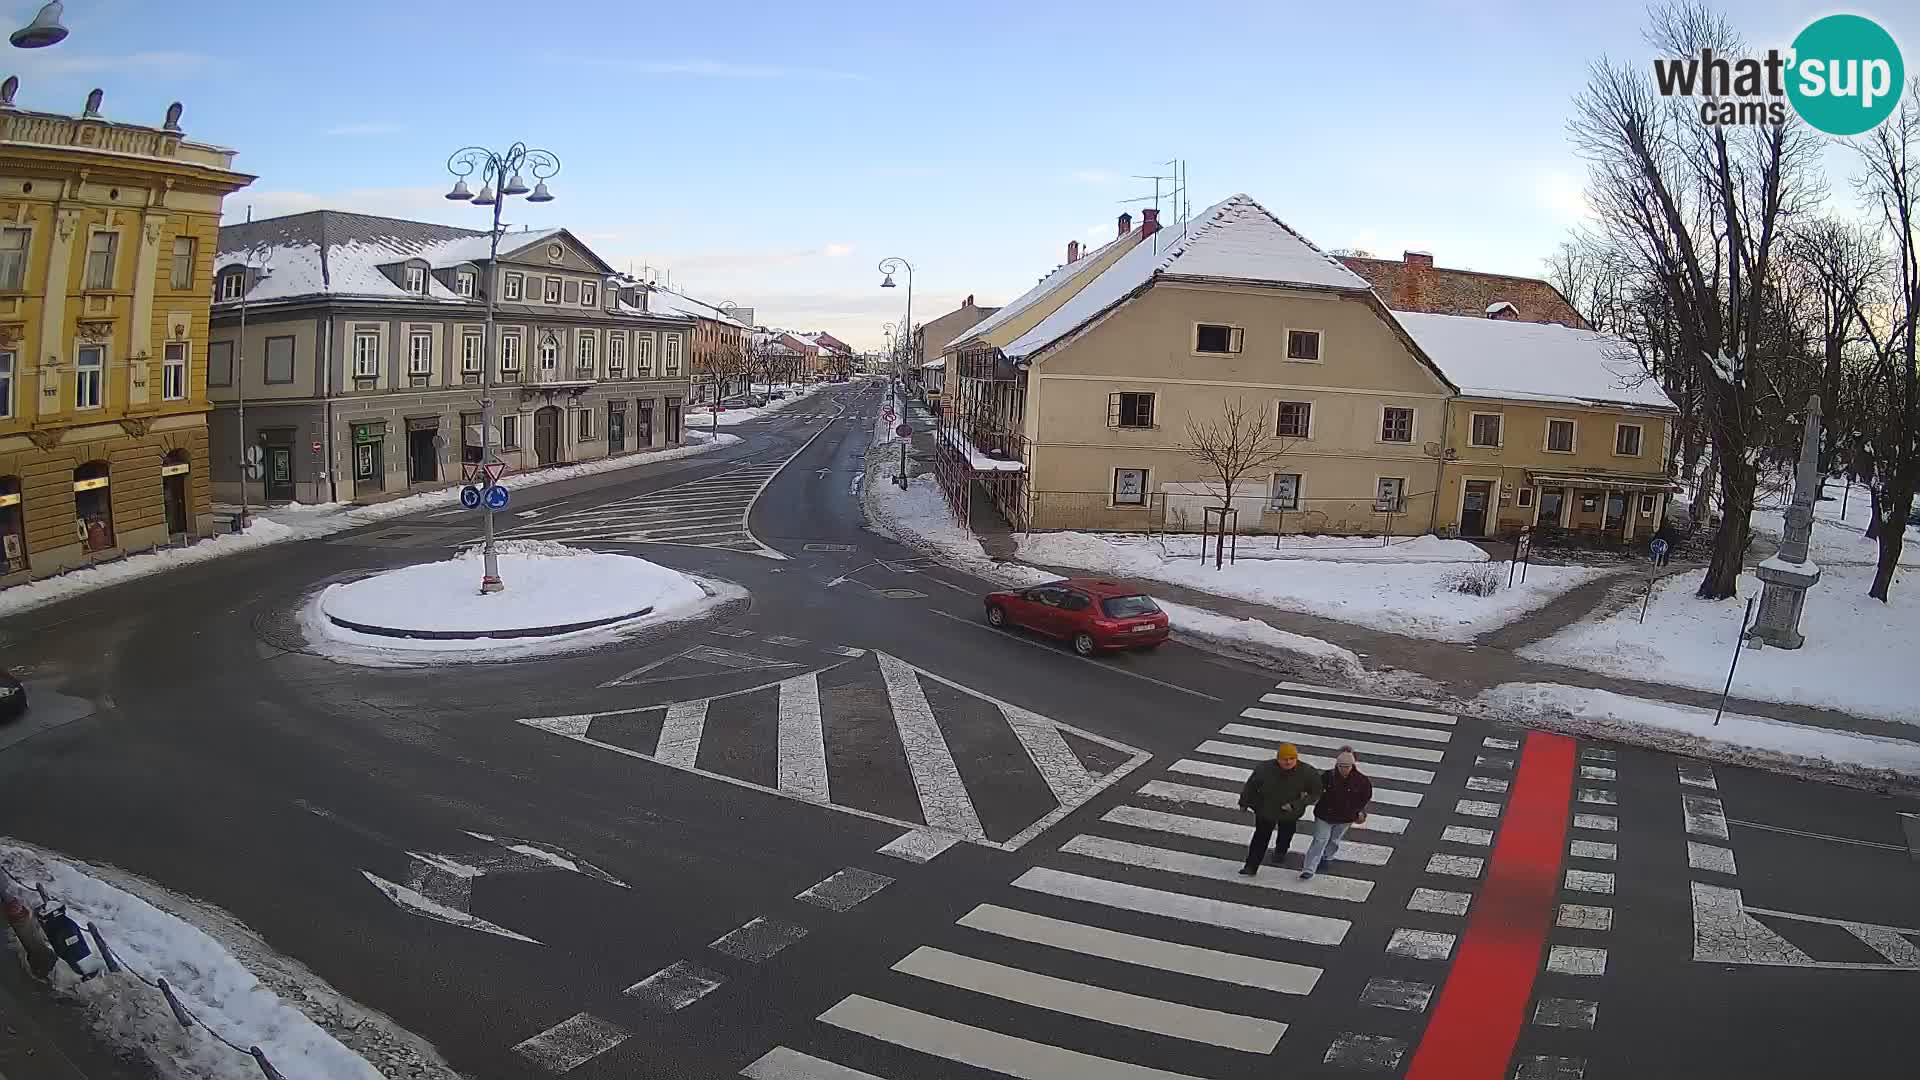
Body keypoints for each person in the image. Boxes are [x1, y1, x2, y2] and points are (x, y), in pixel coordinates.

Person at [1237, 743, 1323, 875]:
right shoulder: (1264, 769)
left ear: (1296, 758)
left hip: (1290, 812)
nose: (1288, 762)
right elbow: (1251, 786)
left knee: (1286, 834)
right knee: (1260, 838)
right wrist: (1244, 802)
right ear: (1278, 758)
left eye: (1291, 759)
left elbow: (1316, 792)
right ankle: (1251, 866)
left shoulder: (1307, 772)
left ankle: (1280, 852)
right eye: (1284, 759)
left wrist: (1297, 804)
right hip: (1266, 810)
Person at [1301, 748, 1372, 880]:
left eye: (1347, 766)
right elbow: (1316, 790)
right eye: (1341, 766)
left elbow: (1365, 798)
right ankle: (1309, 868)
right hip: (1324, 815)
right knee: (1319, 840)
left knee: (1334, 840)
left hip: (1345, 818)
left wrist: (1358, 811)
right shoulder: (1327, 776)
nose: (1343, 769)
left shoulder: (1362, 781)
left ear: (1352, 765)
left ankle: (1327, 857)